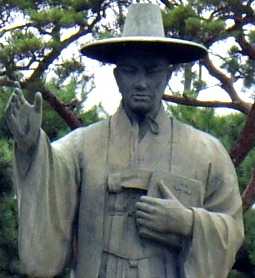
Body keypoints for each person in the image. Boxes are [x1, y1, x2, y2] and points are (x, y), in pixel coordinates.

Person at [5, 3, 244, 278]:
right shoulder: (81, 146)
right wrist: (30, 145)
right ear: (117, 77)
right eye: (131, 71)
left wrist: (188, 222)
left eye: (152, 71)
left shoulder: (206, 152)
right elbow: (49, 172)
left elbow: (232, 230)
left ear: (167, 76)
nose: (141, 83)